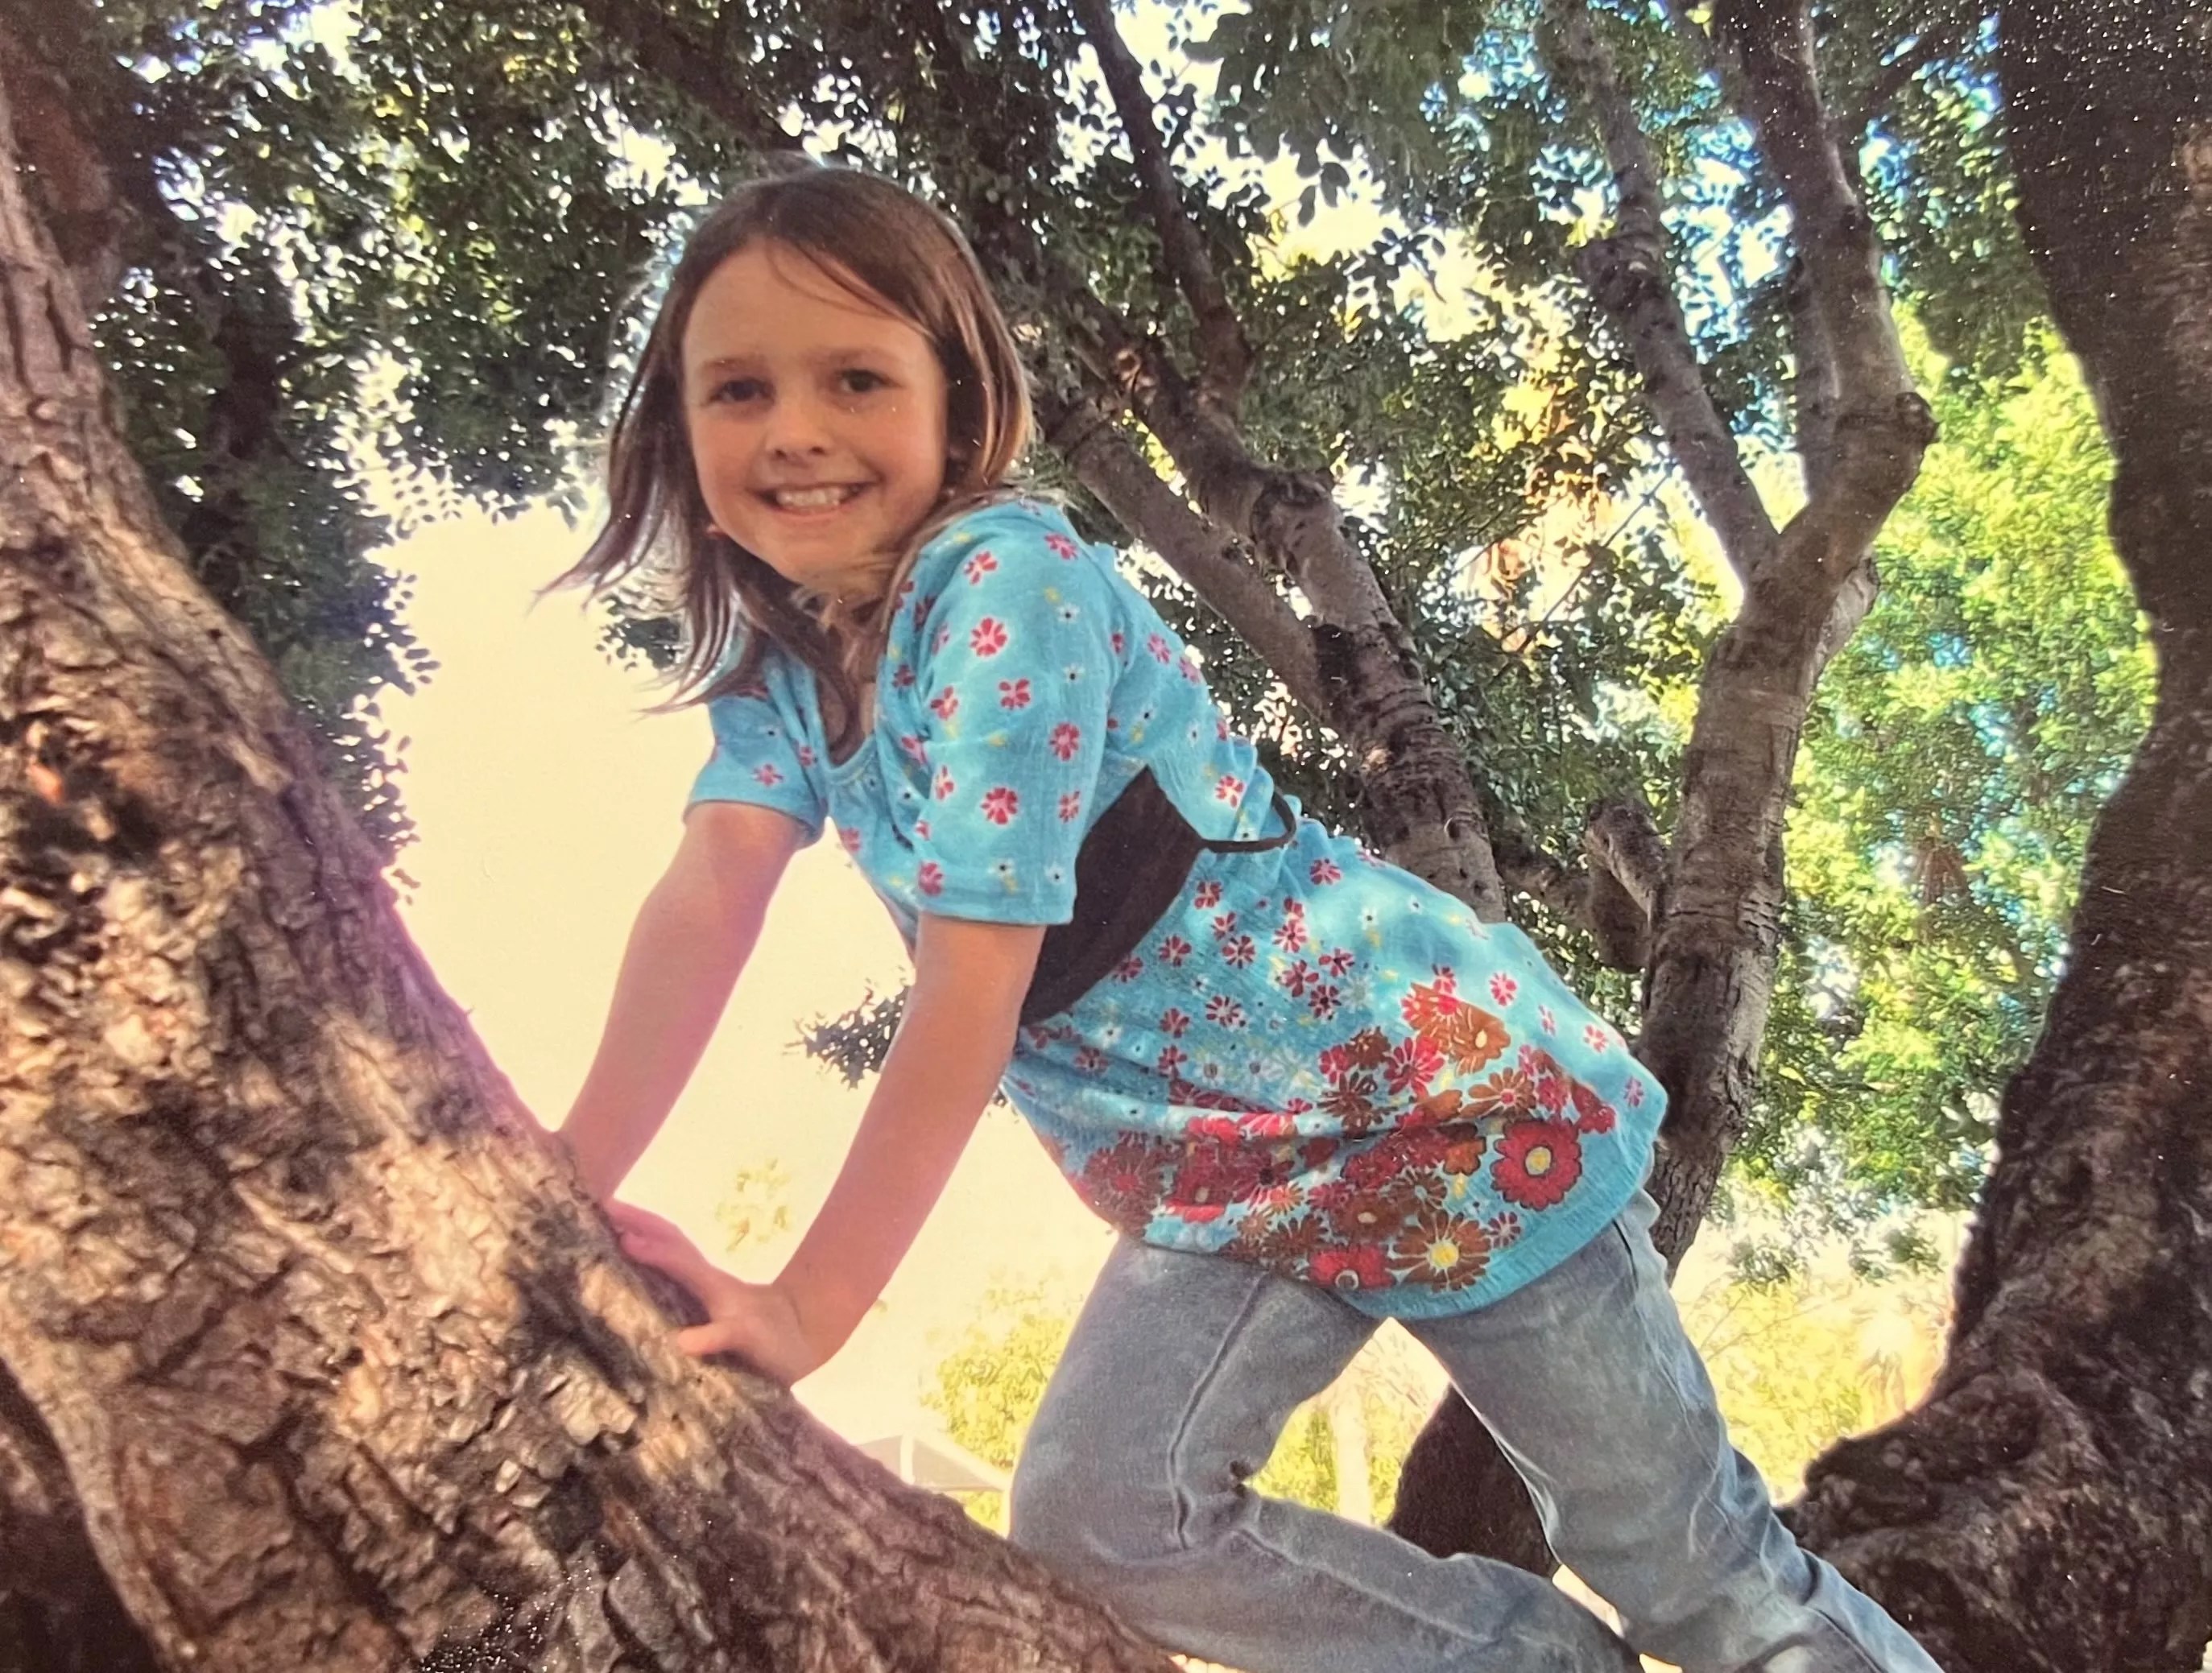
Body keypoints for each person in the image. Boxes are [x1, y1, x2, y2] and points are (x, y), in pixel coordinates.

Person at [551, 163, 1943, 1673]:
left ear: (959, 402)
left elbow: (970, 988)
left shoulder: (1007, 582)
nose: (795, 429)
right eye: (738, 388)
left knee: (1696, 1576)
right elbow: (710, 890)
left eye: (855, 379)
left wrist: (809, 1304)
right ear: (679, 427)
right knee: (1106, 1515)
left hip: (1446, 1106)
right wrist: (559, 1178)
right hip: (1225, 1177)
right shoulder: (781, 673)